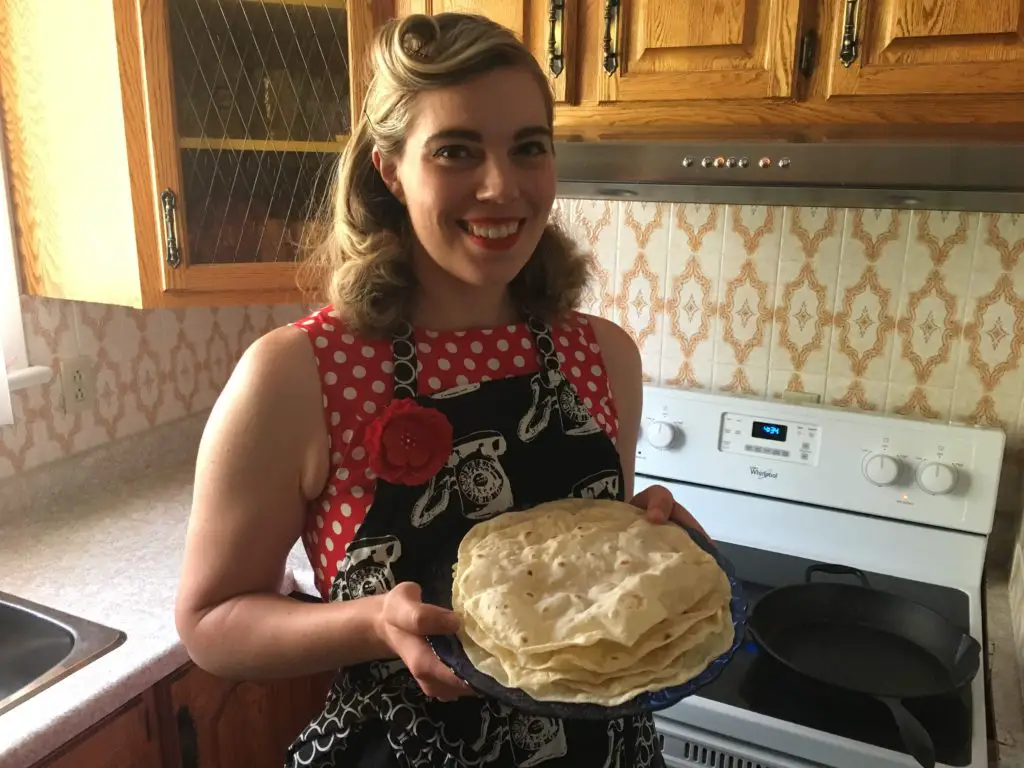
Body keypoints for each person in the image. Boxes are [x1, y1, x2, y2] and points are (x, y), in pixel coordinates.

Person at [174, 11, 706, 768]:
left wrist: (641, 540)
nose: (502, 187)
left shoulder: (603, 354)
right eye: (456, 151)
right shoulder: (297, 375)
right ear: (391, 170)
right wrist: (368, 623)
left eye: (529, 149)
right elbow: (209, 622)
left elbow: (575, 567)